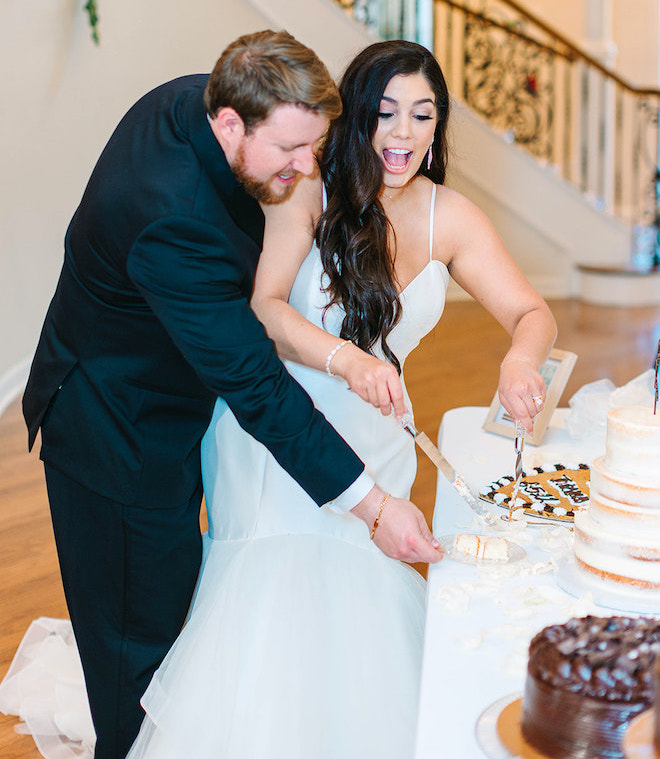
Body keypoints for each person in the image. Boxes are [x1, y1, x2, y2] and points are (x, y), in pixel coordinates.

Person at [5, 30, 441, 759]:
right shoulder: (171, 218)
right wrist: (374, 506)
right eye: (291, 153)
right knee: (135, 655)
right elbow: (258, 390)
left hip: (163, 402)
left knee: (175, 619)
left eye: (317, 145)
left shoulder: (194, 97)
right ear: (233, 122)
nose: (310, 169)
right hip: (115, 434)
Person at [123, 40, 557, 759]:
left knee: (360, 621)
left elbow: (531, 313)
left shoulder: (448, 215)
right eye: (386, 112)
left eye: (423, 114)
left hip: (381, 439)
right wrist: (346, 358)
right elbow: (264, 309)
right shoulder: (307, 186)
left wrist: (520, 357)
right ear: (357, 115)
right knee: (281, 604)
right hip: (277, 435)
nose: (404, 133)